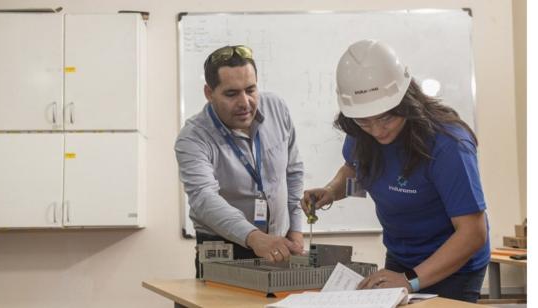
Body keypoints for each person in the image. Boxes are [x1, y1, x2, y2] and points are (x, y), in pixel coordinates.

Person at [301, 40, 490, 302]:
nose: (377, 131)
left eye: (386, 118)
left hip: (455, 266)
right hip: (401, 258)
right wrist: (332, 191)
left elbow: (473, 233)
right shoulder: (361, 133)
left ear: (407, 101)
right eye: (364, 121)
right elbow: (358, 172)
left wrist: (410, 280)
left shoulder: (448, 146)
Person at [175, 45, 305, 278]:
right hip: (224, 250)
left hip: (278, 245)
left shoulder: (276, 108)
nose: (245, 102)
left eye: (251, 90)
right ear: (209, 92)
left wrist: (295, 230)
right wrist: (254, 238)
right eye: (231, 94)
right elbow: (204, 198)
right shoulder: (193, 137)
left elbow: (293, 172)